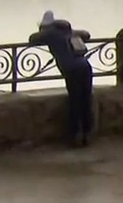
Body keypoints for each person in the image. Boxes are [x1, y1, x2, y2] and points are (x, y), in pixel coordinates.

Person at [28, 10, 94, 147]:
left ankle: (75, 135)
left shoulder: (50, 33)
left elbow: (33, 39)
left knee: (75, 101)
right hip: (85, 66)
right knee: (86, 99)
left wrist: (44, 32)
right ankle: (87, 134)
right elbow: (86, 34)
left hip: (71, 69)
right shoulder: (70, 32)